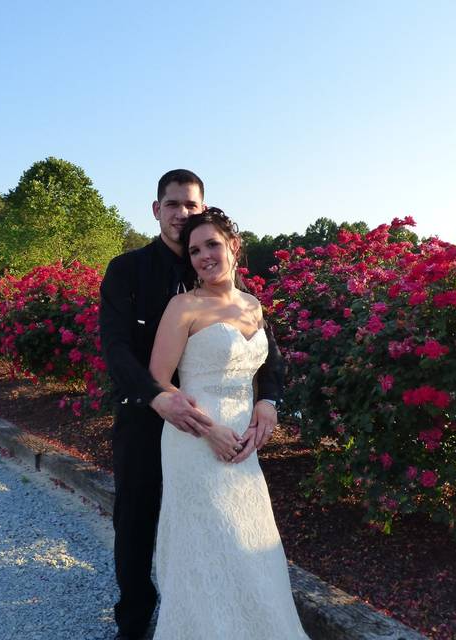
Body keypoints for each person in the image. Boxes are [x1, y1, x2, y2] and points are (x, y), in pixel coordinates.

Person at [100, 171, 283, 640]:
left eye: (192, 206)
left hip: (227, 426)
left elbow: (267, 355)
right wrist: (158, 395)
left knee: (223, 526)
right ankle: (135, 620)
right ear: (156, 209)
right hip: (148, 414)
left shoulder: (217, 275)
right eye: (174, 204)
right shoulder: (128, 269)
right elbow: (116, 348)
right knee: (138, 518)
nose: (183, 214)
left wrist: (269, 401)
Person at [147, 208, 308, 638]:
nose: (203, 256)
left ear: (234, 246)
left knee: (248, 534)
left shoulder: (253, 305)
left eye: (212, 245)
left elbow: (264, 369)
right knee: (207, 540)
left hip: (244, 443)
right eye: (195, 250)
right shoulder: (183, 306)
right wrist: (209, 430)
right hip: (195, 440)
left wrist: (266, 407)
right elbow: (158, 382)